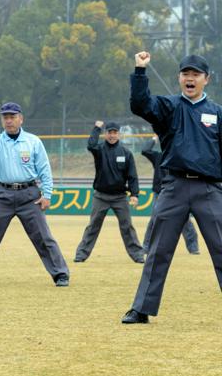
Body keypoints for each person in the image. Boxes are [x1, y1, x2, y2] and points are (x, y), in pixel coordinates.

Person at [122, 52, 222, 324]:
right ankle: (141, 309)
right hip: (174, 186)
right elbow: (140, 104)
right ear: (179, 78)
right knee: (158, 251)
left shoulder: (217, 113)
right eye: (185, 74)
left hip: (210, 190)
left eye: (196, 74)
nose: (190, 78)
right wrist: (140, 71)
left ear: (206, 79)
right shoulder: (168, 106)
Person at [0, 100, 70, 286]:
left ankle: (60, 274)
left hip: (29, 195)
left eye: (12, 117)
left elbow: (44, 169)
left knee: (43, 236)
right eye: (5, 117)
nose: (9, 121)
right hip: (3, 194)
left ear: (21, 119)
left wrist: (47, 194)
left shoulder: (33, 141)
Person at [74, 121, 145, 264]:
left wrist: (134, 194)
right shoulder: (99, 150)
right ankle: (81, 255)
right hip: (101, 196)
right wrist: (96, 128)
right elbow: (90, 145)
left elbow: (132, 176)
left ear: (118, 134)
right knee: (93, 226)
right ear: (105, 134)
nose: (112, 135)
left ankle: (138, 255)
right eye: (109, 132)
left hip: (120, 197)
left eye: (115, 132)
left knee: (127, 226)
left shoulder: (126, 153)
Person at [141, 135, 199, 255]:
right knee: (155, 220)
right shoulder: (158, 156)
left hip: (178, 190)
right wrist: (154, 139)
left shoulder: (179, 156)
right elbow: (145, 150)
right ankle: (146, 247)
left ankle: (193, 248)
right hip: (160, 192)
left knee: (185, 220)